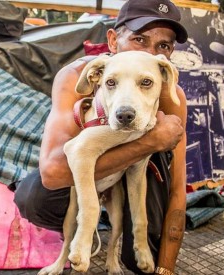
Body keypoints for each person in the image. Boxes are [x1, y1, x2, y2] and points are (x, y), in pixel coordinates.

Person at [10, 0, 188, 274]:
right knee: (34, 196)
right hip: (85, 171)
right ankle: (77, 238)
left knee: (142, 262)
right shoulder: (77, 76)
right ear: (113, 40)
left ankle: (124, 240)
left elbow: (178, 187)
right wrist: (150, 141)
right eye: (139, 39)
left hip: (140, 173)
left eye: (163, 46)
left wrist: (167, 269)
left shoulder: (170, 91)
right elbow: (54, 173)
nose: (150, 54)